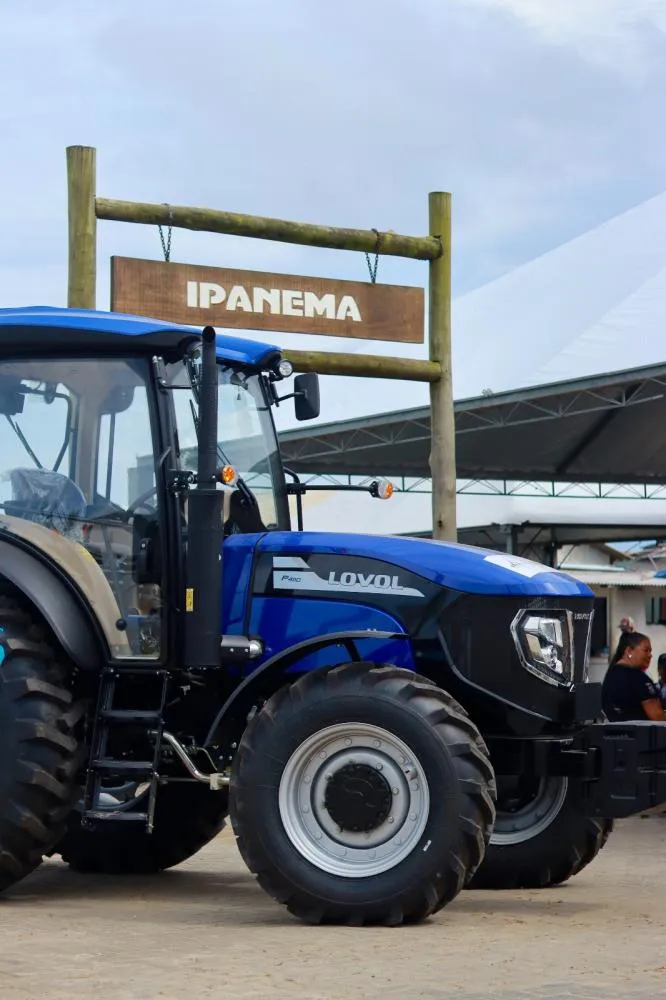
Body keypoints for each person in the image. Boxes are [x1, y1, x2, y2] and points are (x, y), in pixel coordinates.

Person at [602, 631, 665, 722]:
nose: (650, 655)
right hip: (642, 735)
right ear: (629, 651)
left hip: (612, 734)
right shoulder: (639, 679)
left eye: (650, 651)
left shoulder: (610, 675)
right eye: (646, 650)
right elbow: (658, 717)